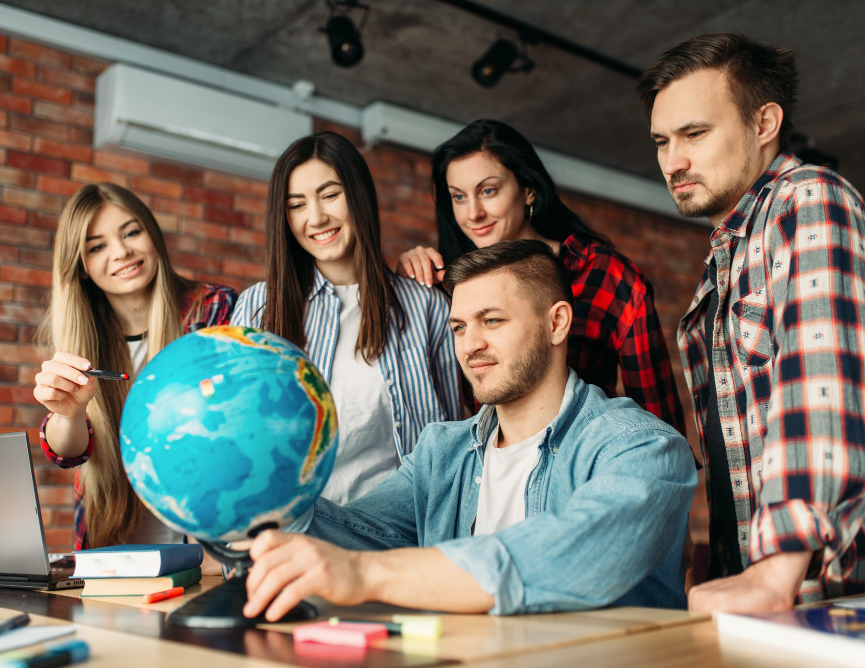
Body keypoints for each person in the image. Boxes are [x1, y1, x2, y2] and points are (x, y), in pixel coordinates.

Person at [241, 240, 697, 620]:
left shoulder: (642, 447)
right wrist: (258, 494)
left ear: (557, 322)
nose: (470, 345)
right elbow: (352, 532)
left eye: (492, 320)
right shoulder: (441, 451)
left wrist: (365, 575)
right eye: (459, 327)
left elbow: (571, 554)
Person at [638, 32, 865, 613]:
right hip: (758, 594)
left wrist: (774, 575)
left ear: (764, 123)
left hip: (815, 598)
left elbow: (822, 388)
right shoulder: (726, 259)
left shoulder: (810, 199)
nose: (673, 161)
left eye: (695, 133)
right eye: (662, 141)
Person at [397, 120, 686, 434]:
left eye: (488, 191)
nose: (473, 214)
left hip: (583, 464)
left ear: (528, 191)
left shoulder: (605, 275)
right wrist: (407, 288)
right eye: (459, 197)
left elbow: (660, 424)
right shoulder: (450, 281)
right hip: (490, 465)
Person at [231, 132, 460, 506]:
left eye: (330, 195)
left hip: (396, 537)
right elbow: (237, 436)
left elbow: (452, 442)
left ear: (358, 195)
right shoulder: (258, 307)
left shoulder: (426, 307)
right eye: (297, 204)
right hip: (295, 534)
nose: (316, 217)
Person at [33, 183, 236, 551]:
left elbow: (229, 426)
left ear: (152, 233)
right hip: (114, 554)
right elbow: (69, 453)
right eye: (97, 246)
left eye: (131, 232)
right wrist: (69, 414)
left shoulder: (213, 310)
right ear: (80, 268)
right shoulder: (83, 339)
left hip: (204, 552)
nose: (122, 251)